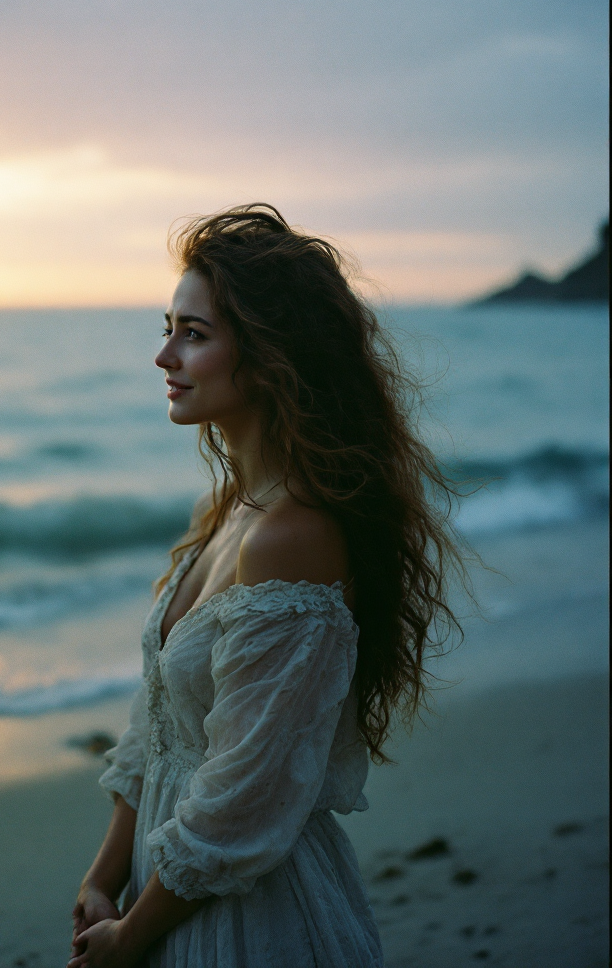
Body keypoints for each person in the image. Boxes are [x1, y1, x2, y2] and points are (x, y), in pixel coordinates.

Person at [68, 205, 465, 967]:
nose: (163, 357)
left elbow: (241, 797)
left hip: (250, 923)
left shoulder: (295, 535)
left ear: (270, 356)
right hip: (165, 902)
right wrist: (102, 877)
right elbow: (157, 728)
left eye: (194, 334)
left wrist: (133, 935)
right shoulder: (226, 512)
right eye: (168, 326)